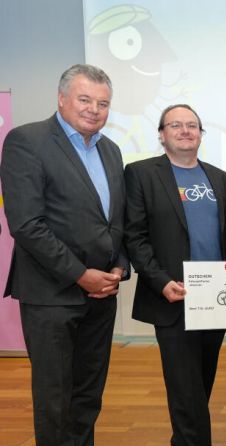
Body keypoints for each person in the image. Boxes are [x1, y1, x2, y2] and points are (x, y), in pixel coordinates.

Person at [0, 64, 128, 446]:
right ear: (61, 98)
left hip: (101, 294)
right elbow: (27, 224)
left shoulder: (110, 150)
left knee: (88, 395)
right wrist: (80, 275)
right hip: (51, 295)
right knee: (55, 399)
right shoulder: (27, 141)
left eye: (103, 103)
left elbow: (115, 219)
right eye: (85, 99)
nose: (94, 109)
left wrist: (119, 266)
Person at [124, 104, 226, 446]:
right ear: (161, 134)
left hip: (215, 297)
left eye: (192, 125)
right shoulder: (141, 173)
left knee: (200, 383)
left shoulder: (220, 177)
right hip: (173, 295)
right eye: (176, 125)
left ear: (200, 133)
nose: (185, 131)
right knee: (185, 387)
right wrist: (161, 282)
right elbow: (135, 237)